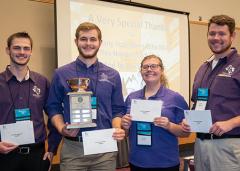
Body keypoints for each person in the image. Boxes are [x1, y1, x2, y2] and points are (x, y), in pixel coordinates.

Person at [46, 22, 125, 171]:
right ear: (76, 41)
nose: (88, 43)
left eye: (93, 39)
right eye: (83, 39)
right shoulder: (61, 74)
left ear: (100, 43)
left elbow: (118, 109)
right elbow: (53, 107)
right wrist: (61, 128)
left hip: (104, 149)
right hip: (73, 148)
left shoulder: (113, 75)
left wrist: (117, 128)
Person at [182, 15, 240, 171]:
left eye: (222, 34)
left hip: (227, 146)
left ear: (232, 36)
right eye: (212, 33)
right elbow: (198, 103)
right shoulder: (203, 68)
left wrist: (231, 123)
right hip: (200, 145)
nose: (216, 38)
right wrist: (189, 121)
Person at [0, 32, 61, 171]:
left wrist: (52, 148)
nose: (22, 52)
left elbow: (54, 114)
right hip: (4, 155)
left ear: (31, 51)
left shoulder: (42, 82)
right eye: (17, 48)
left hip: (36, 156)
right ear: (7, 50)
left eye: (26, 48)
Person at [121, 55, 189, 171]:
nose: (149, 69)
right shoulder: (132, 98)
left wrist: (169, 125)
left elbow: (186, 133)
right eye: (145, 67)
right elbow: (125, 133)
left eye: (154, 66)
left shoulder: (175, 98)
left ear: (161, 70)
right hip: (137, 161)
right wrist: (125, 126)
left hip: (166, 163)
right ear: (141, 71)